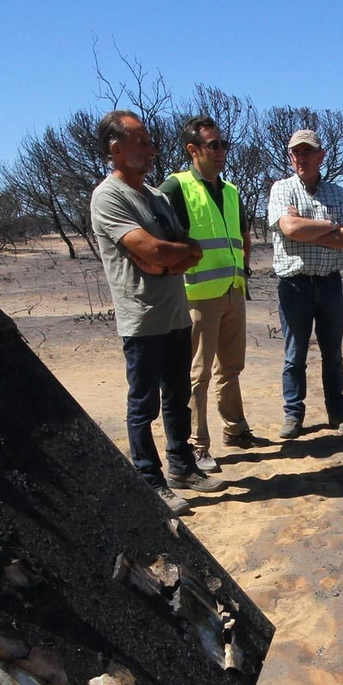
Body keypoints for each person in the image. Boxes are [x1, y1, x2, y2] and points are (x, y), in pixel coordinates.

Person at [89, 109, 227, 515]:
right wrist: (164, 257)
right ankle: (149, 480)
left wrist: (166, 260)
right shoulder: (109, 196)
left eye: (150, 141)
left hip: (175, 313)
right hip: (143, 318)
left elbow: (187, 249)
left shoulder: (157, 196)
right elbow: (150, 251)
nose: (152, 149)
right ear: (116, 149)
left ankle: (181, 468)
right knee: (143, 403)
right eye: (141, 142)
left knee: (177, 396)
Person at [159, 115, 254, 474]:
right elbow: (162, 240)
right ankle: (198, 446)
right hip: (198, 295)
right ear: (192, 150)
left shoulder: (230, 191)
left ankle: (236, 428)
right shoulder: (175, 187)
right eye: (214, 145)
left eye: (223, 144)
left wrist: (243, 267)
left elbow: (243, 235)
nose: (221, 151)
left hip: (232, 288)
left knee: (231, 367)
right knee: (197, 373)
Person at [266, 128, 343, 440]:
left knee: (332, 352)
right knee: (295, 354)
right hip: (294, 285)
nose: (302, 158)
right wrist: (330, 225)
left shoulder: (338, 193)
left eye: (308, 152)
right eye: (296, 152)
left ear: (321, 156)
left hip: (329, 283)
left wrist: (313, 228)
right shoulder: (281, 190)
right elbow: (290, 228)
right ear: (290, 156)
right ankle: (293, 415)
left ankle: (337, 412)